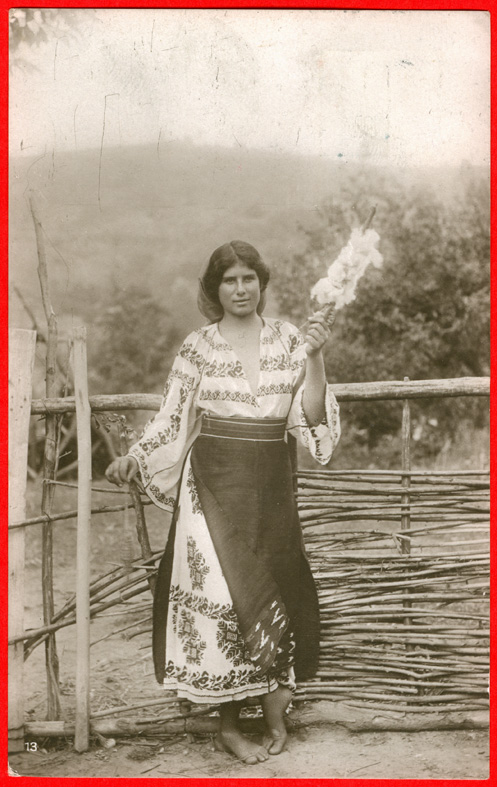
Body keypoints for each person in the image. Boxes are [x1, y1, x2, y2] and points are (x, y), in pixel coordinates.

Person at [105, 240, 340, 764]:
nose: (240, 289)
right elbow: (171, 414)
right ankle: (229, 726)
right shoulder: (199, 346)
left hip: (273, 483)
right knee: (221, 599)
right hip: (212, 483)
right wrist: (135, 456)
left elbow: (311, 416)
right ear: (215, 289)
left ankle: (275, 708)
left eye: (248, 278)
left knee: (274, 588)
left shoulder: (289, 339)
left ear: (262, 283)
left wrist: (318, 356)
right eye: (229, 280)